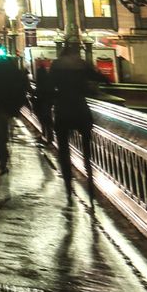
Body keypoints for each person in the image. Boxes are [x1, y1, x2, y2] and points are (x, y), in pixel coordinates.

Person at [46, 37, 107, 196]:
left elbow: (49, 85)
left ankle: (67, 179)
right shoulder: (82, 64)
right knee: (86, 138)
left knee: (63, 146)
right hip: (79, 106)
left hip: (63, 107)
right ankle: (88, 167)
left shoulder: (56, 65)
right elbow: (99, 78)